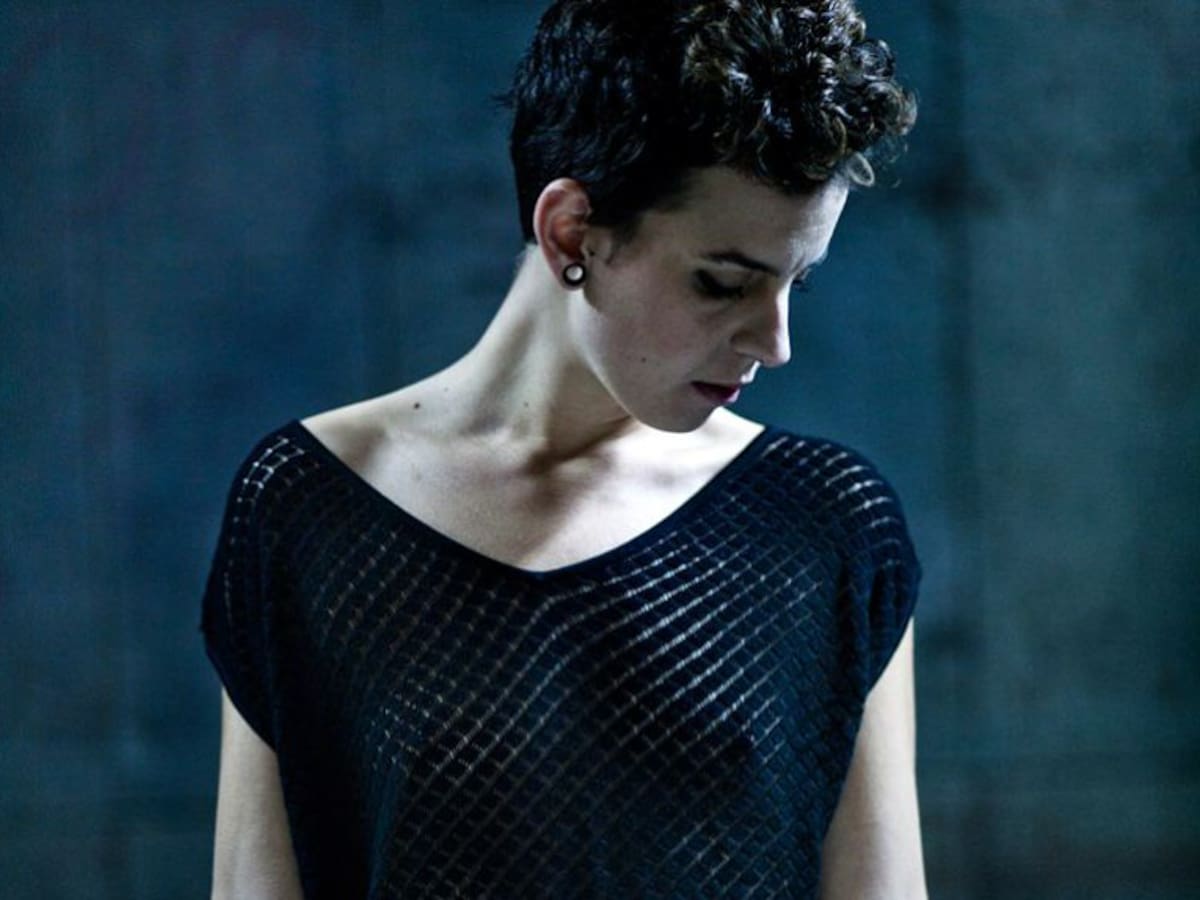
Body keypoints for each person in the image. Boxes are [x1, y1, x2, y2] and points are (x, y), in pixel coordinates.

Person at [202, 0, 923, 897]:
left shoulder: (825, 527)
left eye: (795, 283)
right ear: (571, 232)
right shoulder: (308, 508)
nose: (774, 343)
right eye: (722, 282)